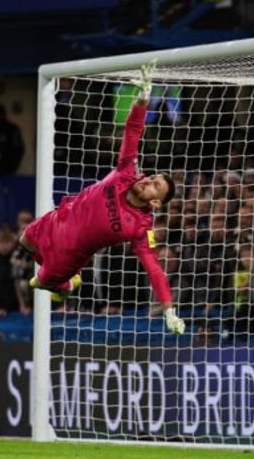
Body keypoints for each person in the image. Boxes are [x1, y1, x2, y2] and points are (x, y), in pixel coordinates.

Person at [19, 60, 185, 335]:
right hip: (57, 218)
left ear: (155, 203)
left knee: (43, 281)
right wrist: (142, 99)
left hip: (69, 256)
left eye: (155, 186)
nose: (149, 180)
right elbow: (132, 131)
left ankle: (69, 283)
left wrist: (169, 309)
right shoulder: (126, 171)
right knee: (24, 240)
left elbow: (154, 269)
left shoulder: (140, 228)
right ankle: (60, 278)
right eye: (152, 177)